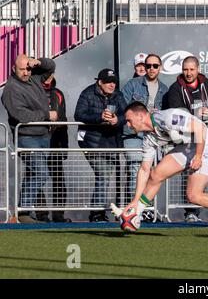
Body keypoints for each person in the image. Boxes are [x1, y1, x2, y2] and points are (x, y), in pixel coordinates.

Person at [112, 102, 208, 238]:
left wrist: (199, 157)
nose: (128, 125)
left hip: (206, 147)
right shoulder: (149, 139)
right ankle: (137, 213)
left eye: (129, 121)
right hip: (187, 148)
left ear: (140, 116)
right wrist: (135, 201)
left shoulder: (169, 117)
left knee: (194, 195)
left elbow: (201, 129)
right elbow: (144, 170)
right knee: (155, 174)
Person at [1, 55, 58, 223]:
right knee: (41, 174)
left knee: (33, 173)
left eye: (28, 68)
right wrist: (46, 115)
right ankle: (24, 211)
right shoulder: (10, 89)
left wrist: (39, 62)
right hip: (26, 137)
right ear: (13, 69)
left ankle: (24, 211)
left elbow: (51, 67)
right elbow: (21, 115)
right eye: (22, 69)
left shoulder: (33, 76)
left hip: (43, 136)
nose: (26, 72)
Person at [165, 56, 208, 222]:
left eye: (192, 69)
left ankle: (198, 211)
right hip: (186, 138)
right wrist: (195, 115)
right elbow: (177, 114)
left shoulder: (206, 84)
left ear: (198, 69)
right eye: (185, 69)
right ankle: (190, 212)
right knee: (188, 173)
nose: (188, 73)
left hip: (206, 137)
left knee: (200, 175)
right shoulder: (175, 88)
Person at [74, 68, 127, 222]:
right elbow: (79, 114)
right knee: (103, 174)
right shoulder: (88, 93)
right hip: (91, 141)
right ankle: (97, 213)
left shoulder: (118, 94)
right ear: (99, 82)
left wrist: (117, 120)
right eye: (108, 82)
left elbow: (126, 114)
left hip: (111, 141)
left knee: (105, 176)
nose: (112, 85)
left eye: (114, 82)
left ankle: (98, 212)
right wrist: (99, 117)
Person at [121, 54, 169, 221]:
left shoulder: (164, 88)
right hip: (134, 134)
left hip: (154, 135)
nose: (150, 69)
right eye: (148, 65)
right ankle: (135, 209)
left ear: (160, 67)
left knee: (153, 174)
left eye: (154, 66)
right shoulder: (132, 85)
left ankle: (146, 208)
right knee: (136, 170)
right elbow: (123, 108)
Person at [36, 73, 71, 223]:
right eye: (46, 75)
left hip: (55, 143)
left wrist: (64, 146)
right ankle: (41, 215)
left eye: (51, 74)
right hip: (36, 141)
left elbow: (63, 120)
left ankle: (58, 216)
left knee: (58, 181)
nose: (49, 78)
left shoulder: (58, 93)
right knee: (36, 178)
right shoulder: (32, 91)